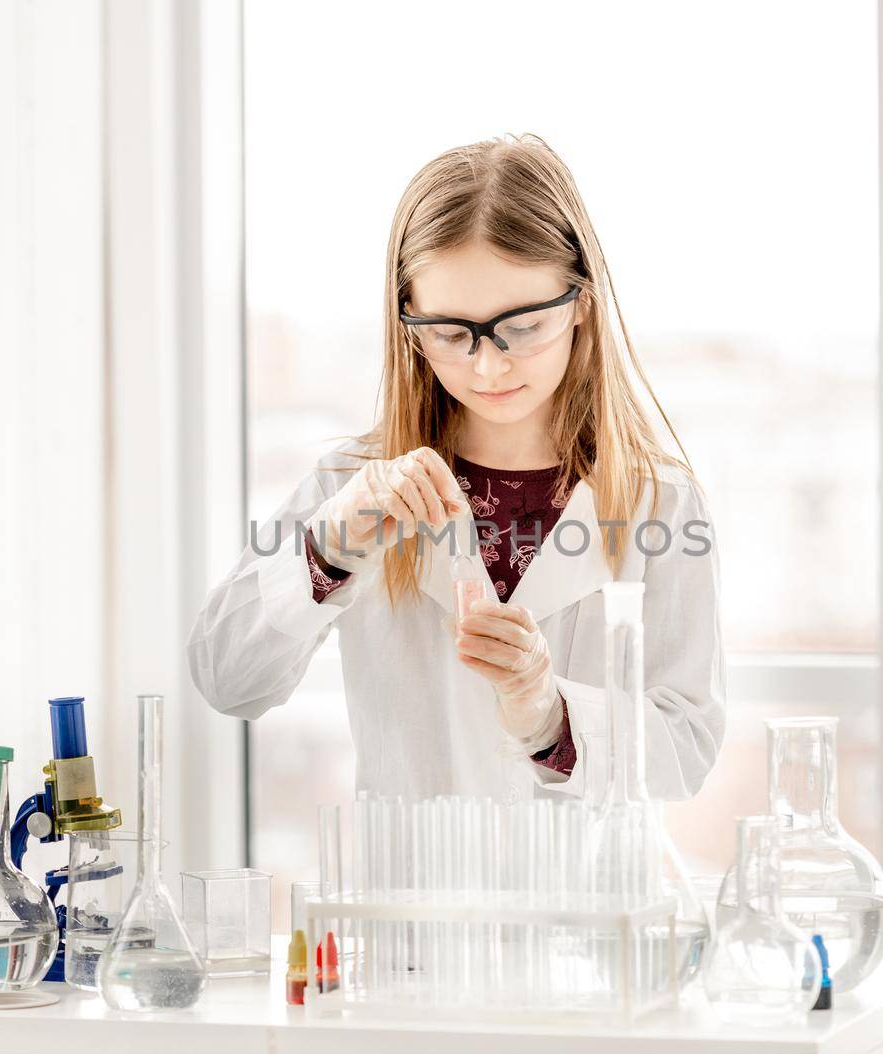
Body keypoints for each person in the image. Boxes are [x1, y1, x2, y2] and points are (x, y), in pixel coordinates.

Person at [187, 134, 725, 802]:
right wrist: (329, 550)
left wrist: (547, 714)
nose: (488, 365)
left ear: (582, 300)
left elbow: (687, 749)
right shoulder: (350, 484)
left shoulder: (660, 504)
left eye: (523, 327)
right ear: (407, 320)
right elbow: (226, 678)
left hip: (583, 901)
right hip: (408, 901)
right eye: (448, 333)